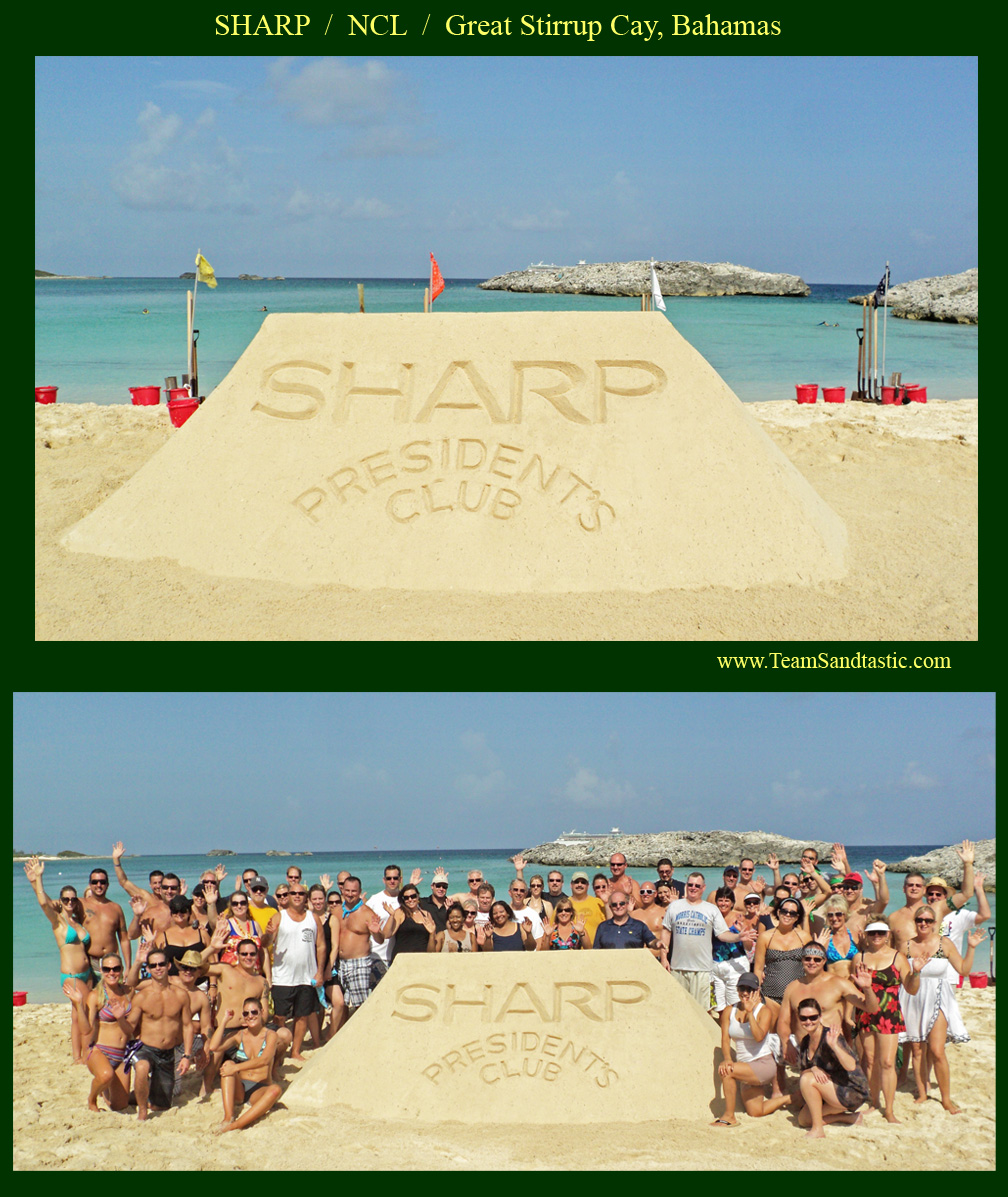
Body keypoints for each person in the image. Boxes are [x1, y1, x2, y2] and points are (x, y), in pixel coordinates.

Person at [901, 905, 983, 1113]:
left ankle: (946, 1099)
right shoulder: (906, 946)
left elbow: (963, 969)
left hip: (938, 997)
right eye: (920, 920)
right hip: (912, 997)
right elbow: (898, 975)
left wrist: (972, 947)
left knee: (937, 1051)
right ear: (915, 921)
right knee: (917, 1050)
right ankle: (921, 1093)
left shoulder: (943, 943)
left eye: (928, 921)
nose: (924, 924)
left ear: (935, 923)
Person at [24, 856, 94, 1063]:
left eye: (73, 899)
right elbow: (43, 903)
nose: (70, 902)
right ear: (61, 902)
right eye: (66, 900)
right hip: (71, 975)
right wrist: (38, 880)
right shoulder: (59, 923)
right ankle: (79, 1056)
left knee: (78, 1013)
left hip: (86, 974)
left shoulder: (78, 923)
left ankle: (80, 1054)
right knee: (81, 1012)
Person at [853, 922, 919, 1122]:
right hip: (865, 1011)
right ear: (866, 935)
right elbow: (853, 987)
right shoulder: (859, 956)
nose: (876, 936)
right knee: (870, 1061)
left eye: (880, 932)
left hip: (889, 1013)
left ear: (888, 934)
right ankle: (875, 1102)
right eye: (872, 933)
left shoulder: (897, 957)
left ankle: (889, 1110)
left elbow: (912, 989)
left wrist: (916, 972)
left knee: (888, 1062)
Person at [660, 873, 756, 1010]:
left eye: (697, 885)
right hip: (678, 968)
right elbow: (666, 931)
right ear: (686, 886)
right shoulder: (674, 907)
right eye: (691, 885)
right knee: (678, 1009)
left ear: (703, 888)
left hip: (703, 970)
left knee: (702, 1011)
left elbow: (722, 934)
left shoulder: (711, 909)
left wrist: (738, 937)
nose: (693, 888)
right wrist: (664, 958)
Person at [711, 972, 790, 1126]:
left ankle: (729, 1117)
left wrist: (750, 1013)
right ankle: (790, 1099)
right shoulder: (729, 1011)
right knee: (755, 1111)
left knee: (728, 1072)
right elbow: (725, 1039)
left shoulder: (764, 1011)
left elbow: (759, 1036)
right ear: (737, 989)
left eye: (749, 989)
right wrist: (727, 1058)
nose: (745, 993)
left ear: (757, 991)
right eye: (742, 988)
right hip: (746, 1066)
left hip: (763, 1064)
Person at [125, 947, 194, 1119]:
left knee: (161, 1106)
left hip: (167, 1054)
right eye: (153, 965)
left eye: (161, 964)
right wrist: (117, 1020)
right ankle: (142, 1111)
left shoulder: (181, 995)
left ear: (168, 965)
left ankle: (135, 1095)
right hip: (146, 1048)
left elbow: (187, 1025)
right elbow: (130, 1025)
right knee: (141, 1067)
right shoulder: (142, 996)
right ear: (148, 969)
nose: (158, 968)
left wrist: (187, 1055)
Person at [63, 954, 137, 1111]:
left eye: (116, 968)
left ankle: (106, 1091)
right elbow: (86, 1030)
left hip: (122, 1054)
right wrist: (78, 1004)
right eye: (107, 969)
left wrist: (138, 960)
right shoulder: (95, 996)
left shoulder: (128, 992)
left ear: (122, 969)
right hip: (100, 1051)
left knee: (120, 1105)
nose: (112, 973)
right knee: (105, 1075)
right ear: (101, 971)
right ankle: (92, 1100)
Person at [793, 998, 869, 1138]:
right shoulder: (805, 1041)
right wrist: (813, 1068)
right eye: (804, 1018)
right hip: (830, 1090)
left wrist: (834, 1046)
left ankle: (818, 1130)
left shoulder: (830, 1036)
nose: (808, 1021)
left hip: (851, 1090)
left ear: (820, 1017)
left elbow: (851, 1065)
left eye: (813, 1017)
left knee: (807, 1080)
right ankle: (850, 1118)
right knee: (803, 1120)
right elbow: (804, 1069)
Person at [206, 997, 282, 1133]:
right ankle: (228, 1117)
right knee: (227, 1063)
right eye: (246, 1013)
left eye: (253, 1012)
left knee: (275, 1089)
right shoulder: (239, 1035)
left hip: (260, 1088)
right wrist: (224, 1021)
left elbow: (264, 1060)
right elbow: (214, 1046)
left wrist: (236, 1068)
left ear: (261, 1012)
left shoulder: (271, 1035)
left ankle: (236, 1125)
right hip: (240, 1087)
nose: (250, 1016)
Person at [270, 881, 326, 1060]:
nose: (296, 896)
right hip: (282, 977)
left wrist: (319, 972)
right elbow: (265, 944)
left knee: (302, 1015)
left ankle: (295, 1050)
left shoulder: (313, 918)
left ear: (306, 897)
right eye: (292, 893)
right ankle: (279, 1049)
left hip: (306, 976)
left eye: (300, 894)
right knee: (279, 1016)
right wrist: (267, 935)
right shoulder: (280, 917)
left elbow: (321, 946)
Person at [330, 876, 386, 1025]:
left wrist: (376, 931)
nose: (350, 894)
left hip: (359, 962)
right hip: (339, 963)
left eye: (354, 891)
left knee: (359, 1004)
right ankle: (343, 1032)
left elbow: (380, 939)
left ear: (359, 891)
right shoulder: (336, 911)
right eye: (347, 890)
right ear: (342, 890)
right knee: (341, 1004)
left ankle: (362, 1030)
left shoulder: (367, 913)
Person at [752, 897, 811, 1004]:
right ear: (778, 912)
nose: (788, 915)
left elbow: (811, 966)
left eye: (792, 913)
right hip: (770, 995)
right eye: (784, 911)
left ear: (797, 917)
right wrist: (756, 991)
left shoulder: (804, 937)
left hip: (798, 994)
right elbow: (758, 969)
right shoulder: (765, 937)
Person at [81, 867, 132, 976]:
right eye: (95, 882)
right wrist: (36, 881)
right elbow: (53, 906)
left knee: (115, 993)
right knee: (91, 993)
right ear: (90, 884)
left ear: (107, 884)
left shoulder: (116, 908)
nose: (99, 885)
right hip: (90, 961)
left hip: (112, 963)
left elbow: (124, 939)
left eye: (102, 882)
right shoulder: (81, 905)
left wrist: (128, 966)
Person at [711, 887, 750, 1013]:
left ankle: (735, 1031)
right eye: (720, 900)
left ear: (733, 903)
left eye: (727, 900)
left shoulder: (739, 918)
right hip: (715, 964)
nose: (723, 904)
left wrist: (742, 933)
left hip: (735, 964)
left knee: (735, 1003)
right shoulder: (712, 918)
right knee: (717, 1006)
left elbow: (749, 946)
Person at [153, 896, 210, 975]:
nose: (179, 914)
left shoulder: (202, 933)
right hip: (173, 982)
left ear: (189, 912)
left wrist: (213, 985)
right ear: (171, 914)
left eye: (183, 910)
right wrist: (151, 944)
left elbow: (212, 961)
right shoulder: (163, 937)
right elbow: (156, 963)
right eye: (175, 911)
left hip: (200, 983)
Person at [595, 892, 659, 954]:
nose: (618, 906)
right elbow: (596, 951)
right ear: (610, 907)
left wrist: (657, 943)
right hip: (609, 964)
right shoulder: (602, 927)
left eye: (622, 903)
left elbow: (651, 941)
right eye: (614, 904)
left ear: (627, 904)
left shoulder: (639, 926)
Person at [381, 884, 436, 956]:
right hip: (403, 959)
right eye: (406, 898)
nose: (410, 900)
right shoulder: (400, 913)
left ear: (418, 896)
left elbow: (431, 950)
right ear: (403, 900)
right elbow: (386, 935)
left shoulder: (426, 914)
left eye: (413, 896)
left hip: (422, 960)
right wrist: (391, 916)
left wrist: (432, 934)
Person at [816, 896, 858, 979]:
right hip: (833, 986)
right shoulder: (825, 938)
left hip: (853, 986)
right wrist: (818, 947)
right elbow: (816, 964)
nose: (834, 918)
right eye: (830, 915)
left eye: (838, 914)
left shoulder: (855, 936)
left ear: (845, 914)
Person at [567, 872, 607, 945]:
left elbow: (611, 923)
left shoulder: (598, 903)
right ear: (571, 885)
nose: (579, 885)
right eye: (576, 882)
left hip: (596, 950)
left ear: (588, 886)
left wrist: (607, 903)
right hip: (572, 952)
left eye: (583, 882)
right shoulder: (564, 905)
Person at [419, 868, 451, 933]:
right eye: (438, 886)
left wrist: (450, 911)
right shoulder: (423, 903)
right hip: (429, 941)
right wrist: (412, 884)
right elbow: (406, 899)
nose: (441, 889)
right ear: (432, 886)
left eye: (444, 886)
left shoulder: (451, 905)